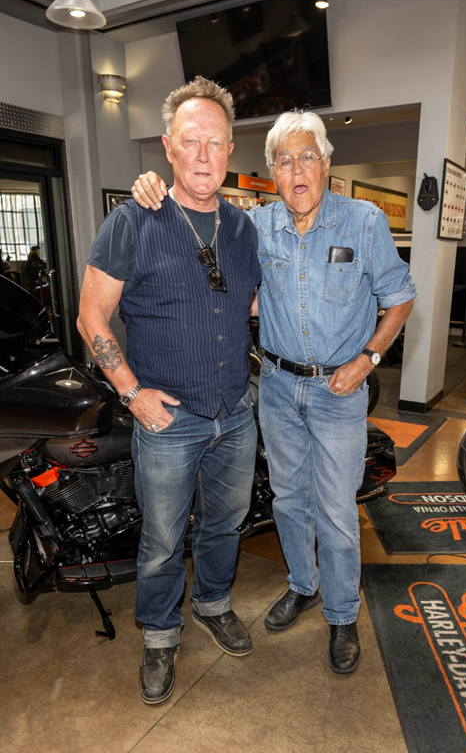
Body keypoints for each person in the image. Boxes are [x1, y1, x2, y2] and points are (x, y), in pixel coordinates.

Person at [131, 109, 416, 675]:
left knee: (335, 509)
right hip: (279, 388)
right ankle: (303, 585)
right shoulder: (256, 227)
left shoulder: (363, 223)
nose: (297, 170)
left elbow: (400, 296)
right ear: (272, 173)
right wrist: (154, 188)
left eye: (307, 156)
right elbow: (208, 233)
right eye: (284, 161)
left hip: (340, 389)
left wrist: (368, 359)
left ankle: (341, 614)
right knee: (287, 498)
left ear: (327, 163)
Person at [77, 77, 261, 705]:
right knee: (160, 540)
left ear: (231, 149)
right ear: (168, 147)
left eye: (215, 142)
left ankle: (212, 604)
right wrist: (132, 394)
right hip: (165, 420)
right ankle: (159, 637)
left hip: (235, 412)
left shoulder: (245, 230)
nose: (204, 154)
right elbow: (91, 318)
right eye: (191, 141)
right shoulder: (133, 220)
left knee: (226, 525)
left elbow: (252, 305)